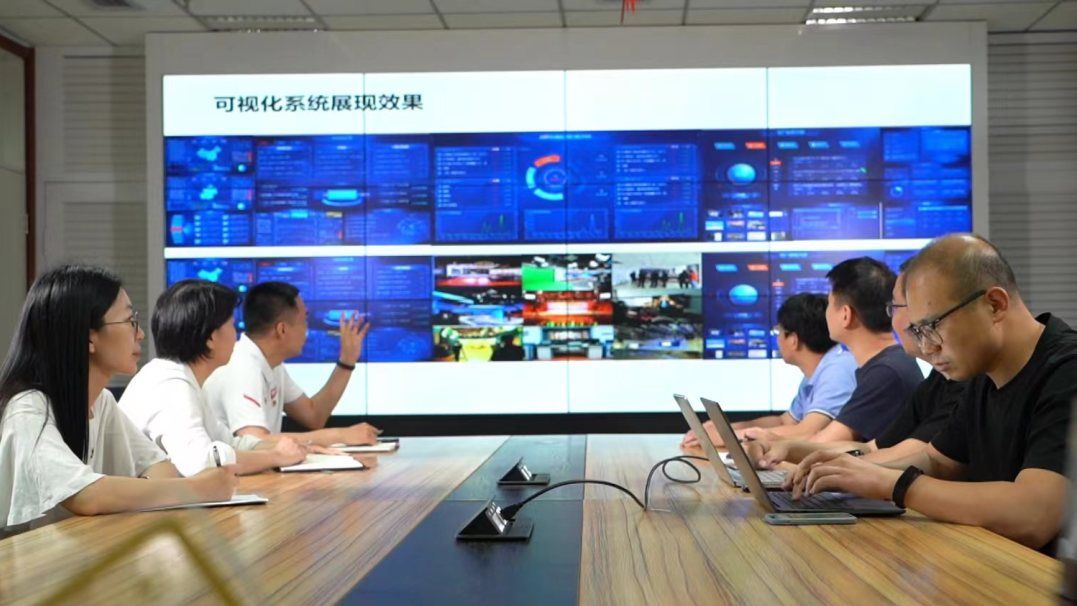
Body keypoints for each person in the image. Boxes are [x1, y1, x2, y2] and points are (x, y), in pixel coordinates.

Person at [789, 234, 1077, 551]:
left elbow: (1034, 515)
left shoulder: (1067, 371)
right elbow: (939, 462)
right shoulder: (982, 374)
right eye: (917, 331)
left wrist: (894, 485)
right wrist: (850, 472)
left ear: (994, 305)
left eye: (932, 326)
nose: (926, 348)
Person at [0, 266, 237, 538]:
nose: (140, 334)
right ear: (89, 337)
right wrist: (197, 489)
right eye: (129, 321)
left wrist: (132, 491)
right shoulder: (27, 408)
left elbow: (162, 468)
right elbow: (85, 496)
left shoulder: (101, 401)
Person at [746, 264, 967, 467]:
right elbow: (872, 449)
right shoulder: (934, 379)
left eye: (897, 307)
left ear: (845, 314)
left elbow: (925, 459)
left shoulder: (888, 371)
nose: (905, 320)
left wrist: (792, 457)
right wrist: (785, 448)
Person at [120, 280, 307, 477]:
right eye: (232, 325)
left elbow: (230, 443)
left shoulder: (182, 379)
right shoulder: (171, 386)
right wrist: (276, 456)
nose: (237, 335)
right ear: (210, 338)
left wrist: (289, 447)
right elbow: (202, 463)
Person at [204, 282, 381, 447]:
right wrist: (339, 435)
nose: (307, 331)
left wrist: (347, 360)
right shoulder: (242, 367)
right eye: (304, 322)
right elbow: (254, 441)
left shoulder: (272, 364)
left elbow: (314, 416)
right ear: (282, 329)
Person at [682, 293, 857, 448]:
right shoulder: (819, 371)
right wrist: (727, 428)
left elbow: (807, 431)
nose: (777, 339)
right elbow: (784, 421)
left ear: (793, 339)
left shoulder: (838, 370)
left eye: (778, 332)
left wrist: (729, 437)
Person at [800, 257, 924, 443]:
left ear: (845, 314)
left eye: (829, 303)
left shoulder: (885, 373)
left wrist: (768, 447)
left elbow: (822, 445)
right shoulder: (891, 362)